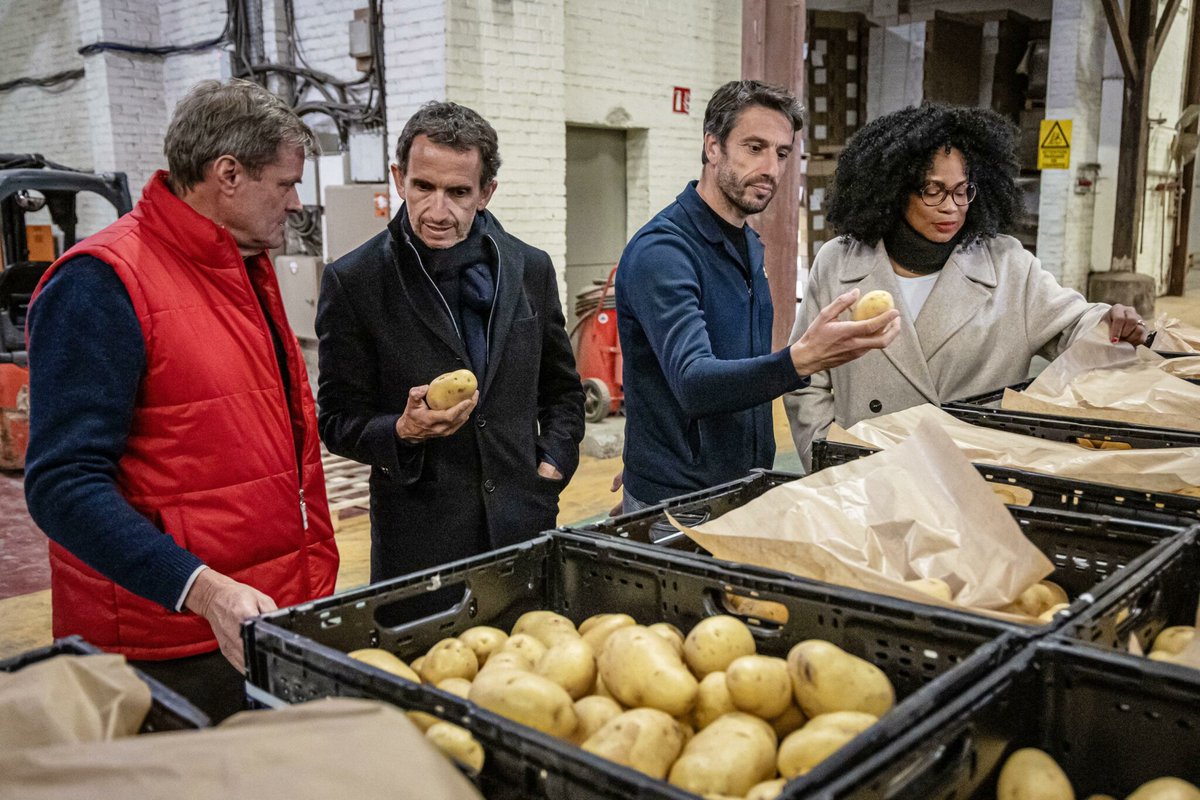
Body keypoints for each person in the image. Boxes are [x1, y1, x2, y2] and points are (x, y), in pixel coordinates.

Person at [24, 79, 339, 721]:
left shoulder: (241, 268)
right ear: (228, 174)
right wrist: (196, 588)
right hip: (168, 644)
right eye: (285, 183)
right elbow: (61, 486)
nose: (297, 202)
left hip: (259, 615)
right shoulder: (102, 283)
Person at [784, 104, 1148, 468]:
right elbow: (807, 381)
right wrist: (828, 458)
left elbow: (1075, 325)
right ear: (894, 189)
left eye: (962, 190)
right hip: (865, 476)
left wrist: (1111, 322)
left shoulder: (1007, 265)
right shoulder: (838, 263)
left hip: (975, 477)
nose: (952, 207)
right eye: (933, 190)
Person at [316, 101, 584, 582]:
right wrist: (401, 430)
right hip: (421, 544)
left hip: (523, 525)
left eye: (458, 192)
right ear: (400, 180)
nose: (437, 211)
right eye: (423, 187)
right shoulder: (354, 281)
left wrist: (553, 464)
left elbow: (562, 391)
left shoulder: (529, 269)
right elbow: (336, 420)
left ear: (486, 193)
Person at [615, 80, 901, 511]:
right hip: (683, 502)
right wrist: (803, 359)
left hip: (741, 484)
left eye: (782, 153)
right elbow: (693, 382)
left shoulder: (747, 244)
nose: (771, 167)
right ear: (713, 148)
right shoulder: (664, 252)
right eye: (755, 147)